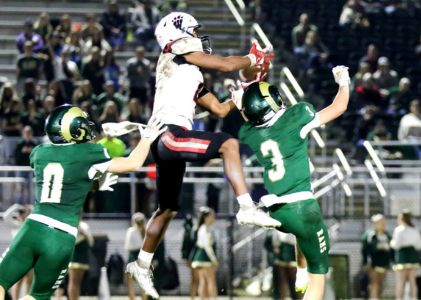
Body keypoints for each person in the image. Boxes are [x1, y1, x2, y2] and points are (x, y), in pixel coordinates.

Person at [125, 12, 279, 298]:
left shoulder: (188, 72)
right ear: (178, 33)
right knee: (228, 144)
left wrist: (240, 93)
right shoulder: (175, 50)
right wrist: (252, 58)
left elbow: (220, 109)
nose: (197, 37)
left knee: (168, 208)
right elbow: (224, 64)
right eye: (193, 31)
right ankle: (247, 207)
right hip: (170, 136)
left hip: (169, 141)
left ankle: (142, 264)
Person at [0, 104, 165, 300]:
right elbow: (132, 163)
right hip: (61, 237)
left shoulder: (39, 153)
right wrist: (147, 139)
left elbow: (63, 182)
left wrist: (90, 184)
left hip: (33, 227)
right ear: (74, 130)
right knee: (38, 296)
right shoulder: (90, 152)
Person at [237, 65, 350, 300]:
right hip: (302, 207)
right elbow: (339, 107)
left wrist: (242, 102)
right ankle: (305, 274)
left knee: (302, 235)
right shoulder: (296, 117)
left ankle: (300, 272)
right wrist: (343, 83)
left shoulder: (251, 133)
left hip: (276, 210)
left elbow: (251, 116)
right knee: (318, 278)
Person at [2, 204, 33, 300]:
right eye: (21, 213)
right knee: (18, 281)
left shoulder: (30, 225)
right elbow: (6, 216)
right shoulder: (15, 224)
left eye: (25, 213)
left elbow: (37, 214)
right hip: (17, 256)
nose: (23, 215)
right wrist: (16, 206)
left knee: (29, 280)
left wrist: (30, 208)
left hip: (30, 255)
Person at [390, 210, 421, 300]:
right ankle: (413, 298)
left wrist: (391, 243)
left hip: (402, 257)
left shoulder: (398, 230)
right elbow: (419, 245)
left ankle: (399, 298)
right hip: (413, 257)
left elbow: (396, 245)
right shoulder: (415, 229)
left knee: (400, 281)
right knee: (413, 281)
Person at [361, 214, 392, 300]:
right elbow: (365, 250)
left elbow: (391, 249)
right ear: (374, 224)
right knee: (374, 283)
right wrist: (365, 262)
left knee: (382, 284)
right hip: (373, 263)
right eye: (380, 222)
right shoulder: (369, 235)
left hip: (384, 263)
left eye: (383, 222)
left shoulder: (387, 235)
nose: (383, 224)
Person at [191, 207, 218, 300]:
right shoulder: (205, 228)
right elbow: (207, 246)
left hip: (200, 256)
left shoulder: (202, 228)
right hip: (205, 256)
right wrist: (214, 259)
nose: (214, 218)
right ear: (206, 217)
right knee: (211, 281)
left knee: (203, 281)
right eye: (212, 216)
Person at [67, 220, 94, 300]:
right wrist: (79, 235)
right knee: (73, 281)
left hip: (83, 256)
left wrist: (86, 235)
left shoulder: (85, 225)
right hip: (74, 255)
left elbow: (91, 242)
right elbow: (69, 241)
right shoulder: (70, 223)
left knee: (78, 282)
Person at [125, 212, 148, 300]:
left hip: (133, 257)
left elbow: (127, 246)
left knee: (130, 284)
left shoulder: (131, 231)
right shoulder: (146, 232)